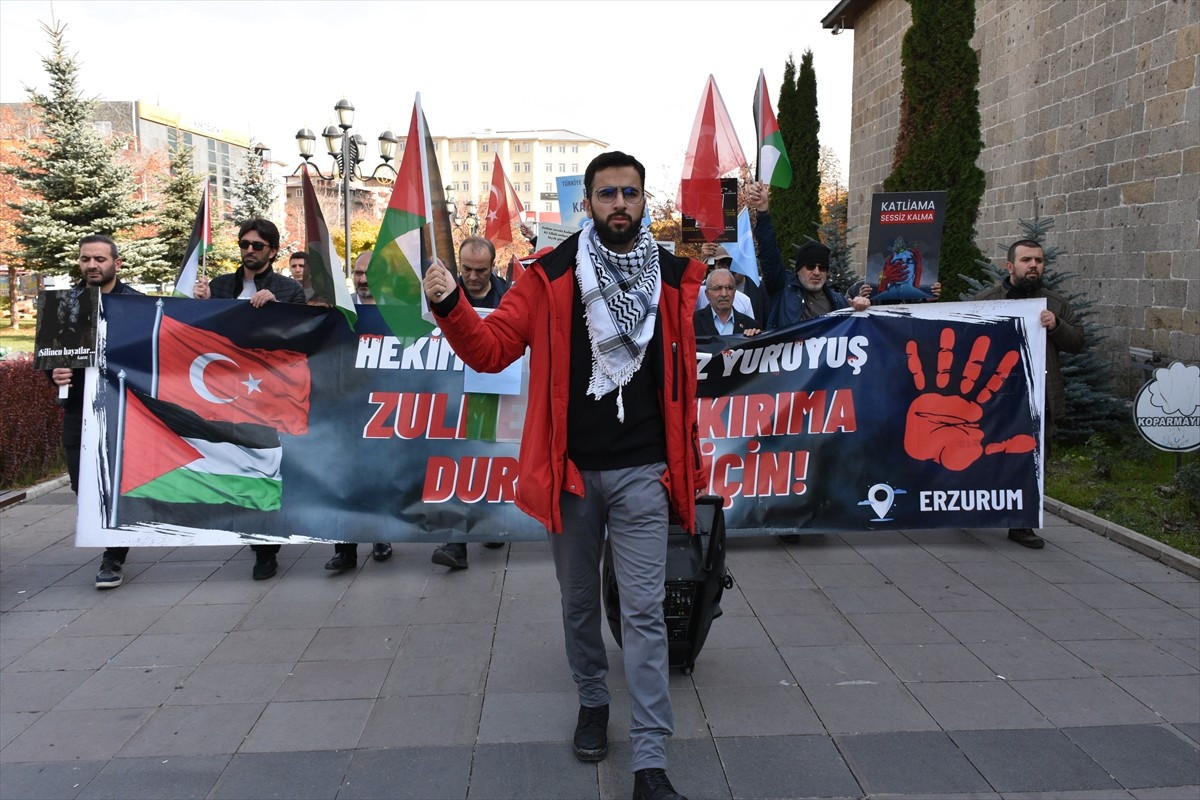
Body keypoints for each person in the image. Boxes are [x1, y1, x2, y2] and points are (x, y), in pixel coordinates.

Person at [423, 151, 700, 800]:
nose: (620, 205)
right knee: (579, 607)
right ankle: (594, 700)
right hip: (573, 476)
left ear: (643, 200)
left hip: (642, 473)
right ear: (588, 204)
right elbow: (490, 353)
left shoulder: (673, 281)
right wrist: (451, 305)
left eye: (630, 193)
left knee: (644, 613)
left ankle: (651, 762)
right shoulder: (548, 277)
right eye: (608, 194)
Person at [193, 218, 305, 579]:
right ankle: (259, 542)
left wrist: (278, 308)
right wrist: (200, 304)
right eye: (244, 244)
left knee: (264, 464)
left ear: (273, 251)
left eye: (258, 246)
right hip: (224, 394)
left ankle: (267, 545)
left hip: (268, 395)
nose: (249, 251)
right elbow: (199, 333)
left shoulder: (288, 291)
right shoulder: (219, 286)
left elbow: (301, 338)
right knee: (237, 466)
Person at [974, 239, 1083, 548]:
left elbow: (1077, 342)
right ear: (1010, 266)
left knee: (1034, 461)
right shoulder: (987, 300)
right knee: (987, 456)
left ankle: (1021, 525)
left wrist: (1057, 325)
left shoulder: (1055, 304)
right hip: (998, 399)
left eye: (1038, 260)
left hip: (1039, 398)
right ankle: (975, 511)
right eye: (1026, 260)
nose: (1033, 265)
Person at [50, 235, 144, 589]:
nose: (92, 265)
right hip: (78, 411)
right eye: (86, 259)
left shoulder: (138, 304)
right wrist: (54, 372)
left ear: (116, 264)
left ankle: (113, 555)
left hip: (123, 409)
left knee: (116, 482)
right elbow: (50, 354)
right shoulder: (64, 305)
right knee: (83, 485)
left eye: (100, 259)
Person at [430, 237, 509, 570]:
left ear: (493, 266)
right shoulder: (441, 291)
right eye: (466, 269)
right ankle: (456, 541)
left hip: (496, 390)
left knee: (488, 459)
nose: (473, 277)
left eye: (481, 270)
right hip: (451, 393)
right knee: (456, 462)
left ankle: (490, 524)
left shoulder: (511, 296)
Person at [325, 250, 393, 571]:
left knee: (377, 475)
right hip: (347, 406)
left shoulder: (398, 312)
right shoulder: (341, 310)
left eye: (370, 273)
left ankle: (380, 535)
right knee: (344, 477)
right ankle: (345, 550)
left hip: (385, 407)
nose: (363, 279)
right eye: (358, 272)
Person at [767, 240, 870, 329]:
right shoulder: (783, 290)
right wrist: (763, 218)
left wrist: (861, 305)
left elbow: (857, 326)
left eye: (822, 268)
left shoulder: (838, 301)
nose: (816, 272)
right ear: (798, 270)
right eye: (811, 266)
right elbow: (769, 257)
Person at [693, 268, 760, 337]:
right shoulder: (693, 323)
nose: (724, 294)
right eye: (717, 288)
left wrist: (755, 338)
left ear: (734, 292)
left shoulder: (750, 325)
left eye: (729, 288)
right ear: (707, 294)